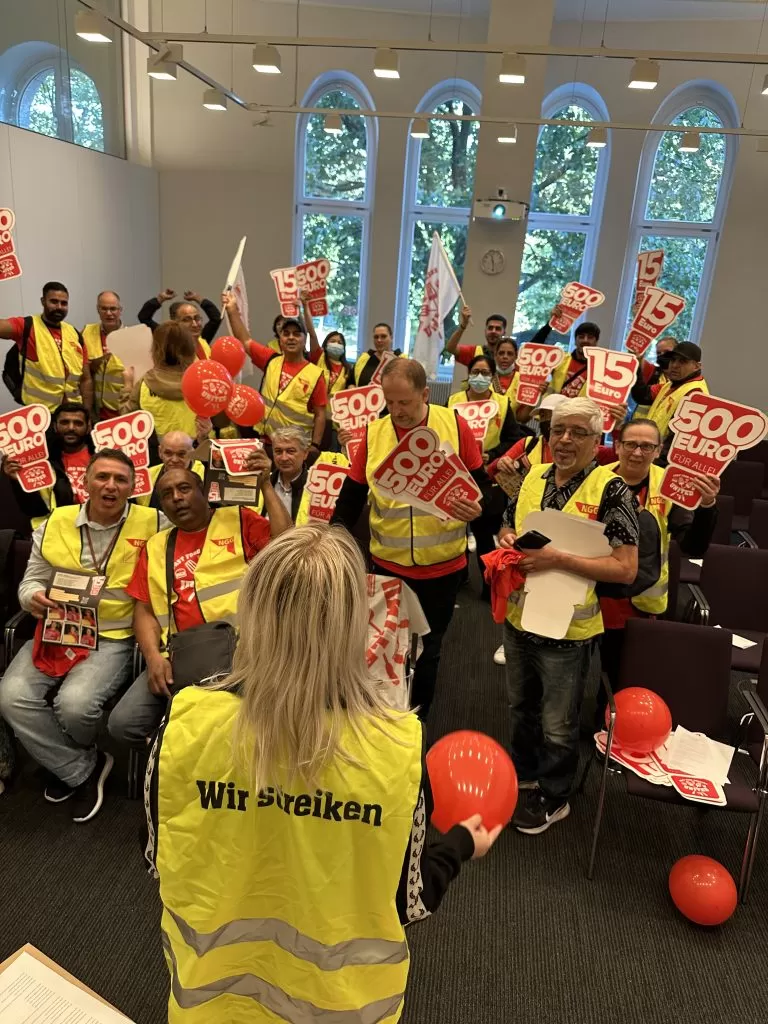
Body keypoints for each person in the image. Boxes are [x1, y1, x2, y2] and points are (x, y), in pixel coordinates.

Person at [145, 524, 499, 1022]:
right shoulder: (395, 747)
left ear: (250, 613)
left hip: (210, 1000)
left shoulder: (182, 725)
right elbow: (411, 901)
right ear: (357, 623)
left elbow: (159, 860)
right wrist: (461, 841)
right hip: (342, 1007)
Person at [498, 397, 639, 834]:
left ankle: (555, 795)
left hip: (570, 628)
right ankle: (523, 773)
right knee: (521, 705)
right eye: (558, 430)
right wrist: (505, 536)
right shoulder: (534, 476)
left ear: (598, 441)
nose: (564, 440)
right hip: (520, 616)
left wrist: (558, 559)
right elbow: (507, 524)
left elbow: (626, 567)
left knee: (559, 722)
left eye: (578, 432)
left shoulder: (610, 488)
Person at [0, 450, 160, 822]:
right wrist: (31, 597)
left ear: (133, 487)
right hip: (57, 630)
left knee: (74, 706)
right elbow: (33, 578)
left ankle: (62, 761)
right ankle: (82, 767)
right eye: (102, 477)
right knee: (10, 696)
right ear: (84, 482)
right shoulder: (56, 520)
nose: (111, 486)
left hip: (113, 635)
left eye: (121, 479)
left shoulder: (154, 521)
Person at [332, 358, 489, 721]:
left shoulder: (454, 425)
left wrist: (479, 511)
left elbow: (483, 487)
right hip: (388, 566)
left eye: (405, 402)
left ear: (425, 393)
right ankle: (386, 717)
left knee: (429, 649)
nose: (397, 411)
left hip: (443, 568)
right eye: (390, 402)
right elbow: (351, 497)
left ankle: (418, 719)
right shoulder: (373, 434)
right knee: (385, 648)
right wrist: (331, 541)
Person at [108, 456, 290, 749]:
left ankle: (202, 754)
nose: (176, 498)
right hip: (180, 657)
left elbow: (286, 545)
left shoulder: (238, 520)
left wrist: (266, 484)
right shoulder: (156, 546)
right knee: (123, 724)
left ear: (204, 492)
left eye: (184, 488)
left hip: (245, 653)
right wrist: (153, 657)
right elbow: (143, 610)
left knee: (232, 720)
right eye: (167, 494)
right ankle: (184, 755)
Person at [598, 418, 720, 692]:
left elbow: (692, 546)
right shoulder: (596, 477)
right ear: (617, 446)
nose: (637, 452)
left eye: (646, 446)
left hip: (639, 598)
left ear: (659, 450)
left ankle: (607, 722)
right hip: (592, 588)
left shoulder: (670, 485)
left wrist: (707, 505)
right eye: (630, 444)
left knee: (620, 673)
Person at [448, 353, 527, 590]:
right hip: (457, 474)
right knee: (455, 529)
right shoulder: (454, 401)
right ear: (468, 375)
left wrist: (491, 455)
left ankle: (487, 582)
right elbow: (441, 432)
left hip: (488, 478)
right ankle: (459, 576)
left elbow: (514, 439)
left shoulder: (502, 404)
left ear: (492, 377)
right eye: (475, 372)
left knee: (484, 534)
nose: (479, 377)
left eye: (484, 373)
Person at [223, 292, 327, 454]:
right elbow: (245, 341)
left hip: (296, 448)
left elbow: (320, 414)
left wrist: (315, 445)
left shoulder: (315, 374)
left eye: (296, 334)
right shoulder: (271, 360)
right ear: (280, 340)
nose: (291, 338)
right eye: (286, 334)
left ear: (304, 339)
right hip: (266, 442)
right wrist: (232, 310)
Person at [0, 281, 93, 411]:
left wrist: (86, 414)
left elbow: (86, 379)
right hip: (40, 416)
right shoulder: (27, 326)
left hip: (72, 414)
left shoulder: (75, 333)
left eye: (64, 303)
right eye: (54, 302)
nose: (59, 307)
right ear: (43, 301)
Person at [2, 402, 94, 528]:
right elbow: (33, 510)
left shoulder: (104, 456)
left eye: (78, 423)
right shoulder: (41, 461)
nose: (71, 428)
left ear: (88, 427)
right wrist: (17, 481)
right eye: (64, 422)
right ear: (55, 426)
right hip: (57, 530)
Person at [120, 321, 211, 440]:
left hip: (155, 452)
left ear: (156, 348)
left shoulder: (144, 383)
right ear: (189, 347)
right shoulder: (203, 383)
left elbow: (125, 419)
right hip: (193, 452)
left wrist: (127, 385)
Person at [630, 341, 709, 460]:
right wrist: (636, 365)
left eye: (682, 361)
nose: (675, 365)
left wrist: (657, 464)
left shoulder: (695, 394)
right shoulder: (670, 385)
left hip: (661, 461)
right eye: (673, 360)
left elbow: (678, 441)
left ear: (697, 366)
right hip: (650, 454)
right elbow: (642, 395)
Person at [82, 291, 127, 420]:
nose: (108, 313)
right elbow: (82, 370)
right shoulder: (86, 332)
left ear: (120, 310)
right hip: (93, 409)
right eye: (104, 308)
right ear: (98, 309)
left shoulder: (131, 338)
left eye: (113, 309)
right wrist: (101, 360)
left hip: (120, 411)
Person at [137, 287, 221, 357]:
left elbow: (216, 318)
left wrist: (198, 298)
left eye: (197, 318)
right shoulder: (168, 340)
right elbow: (144, 317)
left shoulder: (201, 339)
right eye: (186, 320)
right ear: (175, 322)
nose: (195, 324)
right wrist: (160, 299)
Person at [136, 430, 206, 509]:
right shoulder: (146, 476)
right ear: (160, 452)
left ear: (192, 453)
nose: (174, 460)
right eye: (168, 453)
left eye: (181, 454)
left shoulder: (206, 476)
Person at [269, 426, 311, 521]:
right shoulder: (264, 483)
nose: (284, 458)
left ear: (305, 453)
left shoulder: (317, 486)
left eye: (290, 451)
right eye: (278, 451)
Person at [353, 322, 401, 387]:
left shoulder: (400, 360)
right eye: (376, 337)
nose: (379, 340)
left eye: (383, 336)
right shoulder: (363, 359)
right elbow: (351, 382)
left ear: (391, 337)